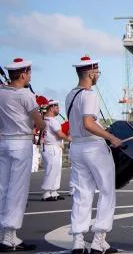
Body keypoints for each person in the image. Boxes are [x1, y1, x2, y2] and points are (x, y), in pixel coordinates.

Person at [67, 55, 122, 254]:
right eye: (97, 72)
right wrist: (111, 137)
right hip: (93, 148)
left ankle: (78, 241)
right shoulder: (89, 95)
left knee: (82, 193)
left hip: (77, 148)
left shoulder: (70, 94)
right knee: (107, 192)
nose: (98, 75)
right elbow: (88, 123)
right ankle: (99, 240)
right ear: (90, 73)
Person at [0, 57, 44, 251]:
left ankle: (4, 233)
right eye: (29, 73)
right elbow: (40, 123)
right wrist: (39, 114)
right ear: (24, 74)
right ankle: (10, 236)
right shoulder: (26, 95)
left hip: (4, 142)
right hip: (21, 142)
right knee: (17, 190)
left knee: (3, 187)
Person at [41, 98, 70, 201]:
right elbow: (59, 134)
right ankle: (46, 193)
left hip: (51, 147)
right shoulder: (52, 121)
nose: (59, 109)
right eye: (57, 107)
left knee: (56, 170)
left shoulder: (44, 119)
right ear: (52, 107)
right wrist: (69, 138)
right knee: (52, 170)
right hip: (51, 147)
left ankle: (53, 191)